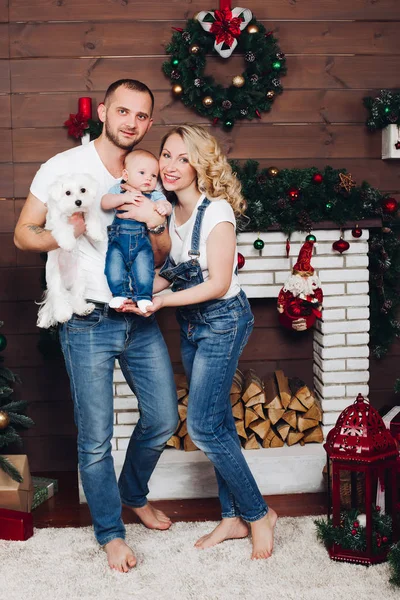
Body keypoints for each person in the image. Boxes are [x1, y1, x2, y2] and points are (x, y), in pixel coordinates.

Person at [13, 79, 179, 573]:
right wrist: (66, 234)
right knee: (95, 438)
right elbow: (24, 233)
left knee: (164, 418)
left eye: (142, 116)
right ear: (103, 111)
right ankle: (110, 531)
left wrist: (155, 223)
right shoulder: (63, 167)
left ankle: (133, 492)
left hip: (138, 315)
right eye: (123, 111)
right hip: (86, 319)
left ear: (149, 122)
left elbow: (164, 252)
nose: (131, 122)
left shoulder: (149, 169)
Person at [120, 125, 277, 559]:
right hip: (192, 325)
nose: (170, 166)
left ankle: (259, 513)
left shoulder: (218, 212)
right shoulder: (167, 212)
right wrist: (137, 292)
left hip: (224, 321)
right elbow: (171, 271)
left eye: (182, 158)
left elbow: (218, 283)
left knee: (205, 427)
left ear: (200, 165)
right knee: (220, 421)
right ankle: (232, 519)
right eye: (166, 155)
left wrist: (162, 301)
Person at [101, 149, 172, 313]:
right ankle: (119, 294)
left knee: (144, 270)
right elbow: (105, 202)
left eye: (154, 176)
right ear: (126, 175)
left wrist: (163, 208)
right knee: (114, 267)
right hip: (118, 242)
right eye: (142, 172)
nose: (149, 178)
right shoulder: (119, 190)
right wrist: (123, 198)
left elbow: (167, 206)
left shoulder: (154, 195)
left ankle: (144, 297)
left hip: (142, 243)